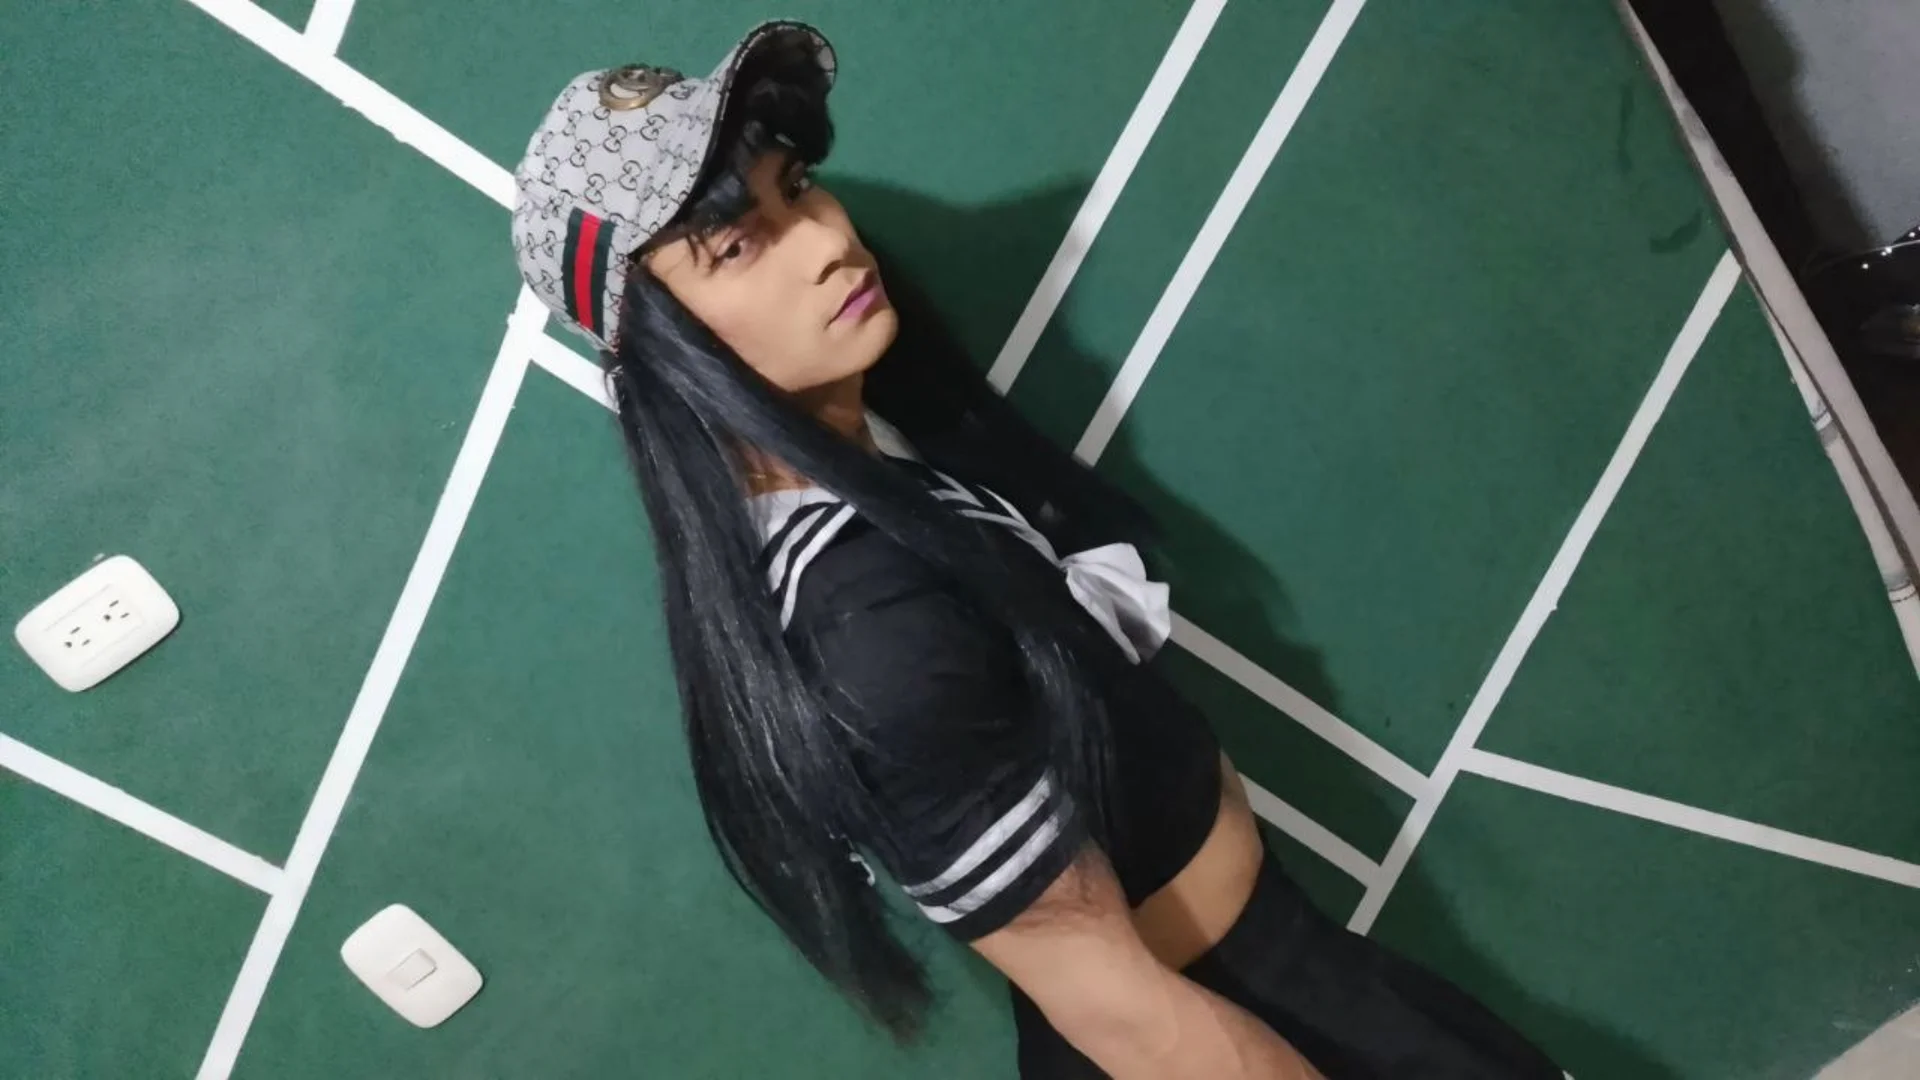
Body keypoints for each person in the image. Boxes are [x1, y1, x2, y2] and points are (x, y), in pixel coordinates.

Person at [510, 21, 1564, 1079]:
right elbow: (1131, 1022)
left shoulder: (884, 487)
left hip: (1287, 978)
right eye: (738, 245)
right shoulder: (867, 629)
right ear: (663, 350)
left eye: (799, 187)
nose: (827, 240)